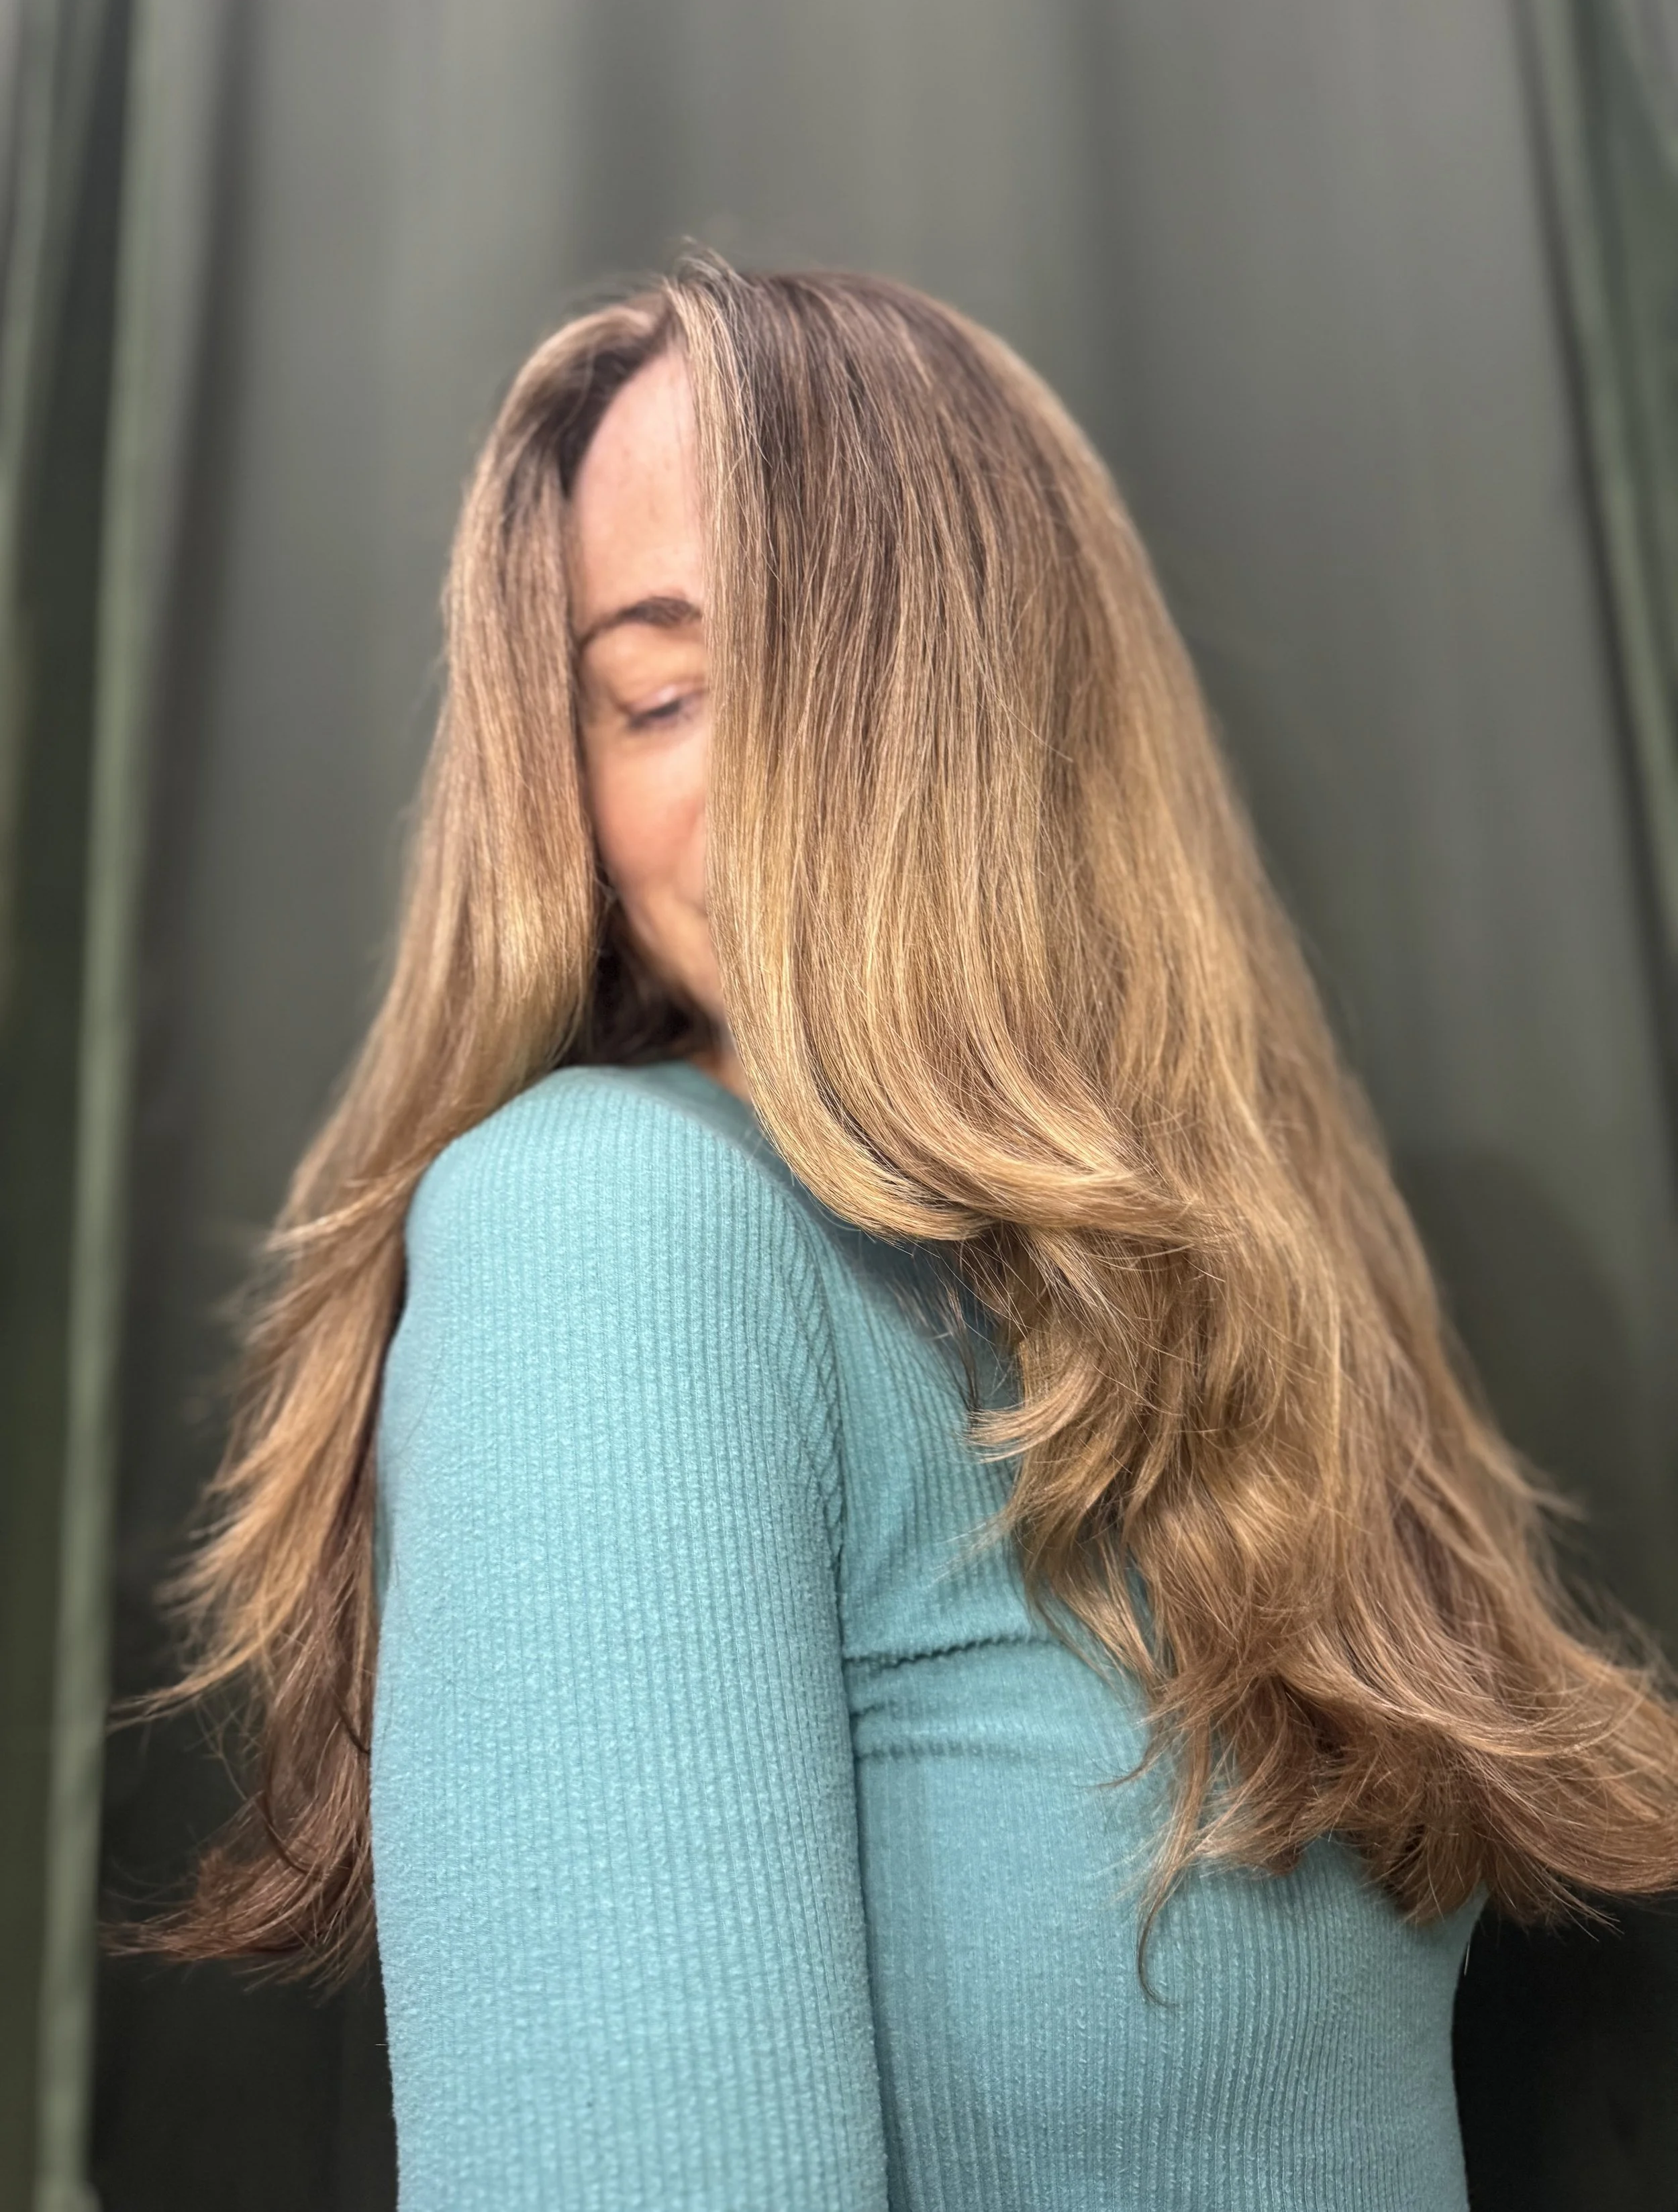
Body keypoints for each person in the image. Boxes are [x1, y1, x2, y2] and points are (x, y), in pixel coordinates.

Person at [141, 257, 1678, 2209]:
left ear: (1034, 705)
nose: (767, 780)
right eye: (660, 691)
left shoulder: (1217, 1327)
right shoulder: (604, 1232)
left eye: (834, 660)